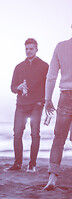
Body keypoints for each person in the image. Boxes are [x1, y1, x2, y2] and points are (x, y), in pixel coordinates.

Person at [7, 38, 49, 172]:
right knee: (17, 134)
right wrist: (18, 87)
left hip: (37, 104)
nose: (28, 51)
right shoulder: (19, 67)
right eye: (26, 49)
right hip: (21, 105)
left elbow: (48, 85)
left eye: (31, 48)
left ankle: (32, 164)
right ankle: (17, 164)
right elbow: (12, 87)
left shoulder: (44, 66)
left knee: (35, 134)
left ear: (36, 49)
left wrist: (44, 101)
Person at [43, 27, 72, 190]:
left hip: (65, 95)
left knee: (59, 138)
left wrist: (48, 99)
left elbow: (51, 76)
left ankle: (52, 178)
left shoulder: (61, 47)